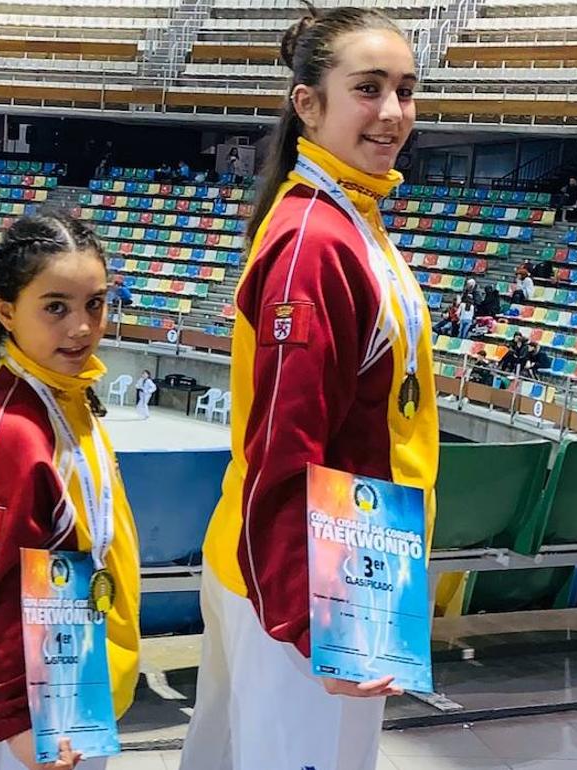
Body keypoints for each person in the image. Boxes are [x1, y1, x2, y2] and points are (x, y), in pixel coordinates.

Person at [180, 9, 433, 770]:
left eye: (406, 90)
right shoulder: (316, 243)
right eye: (367, 89)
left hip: (338, 562)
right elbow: (285, 450)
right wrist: (313, 621)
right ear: (308, 105)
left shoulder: (348, 219)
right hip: (315, 582)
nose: (392, 113)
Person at [0, 212, 140, 770]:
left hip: (73, 677)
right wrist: (16, 717)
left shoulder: (68, 398)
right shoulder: (13, 428)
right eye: (55, 307)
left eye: (95, 304)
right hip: (31, 706)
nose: (82, 327)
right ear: (6, 311)